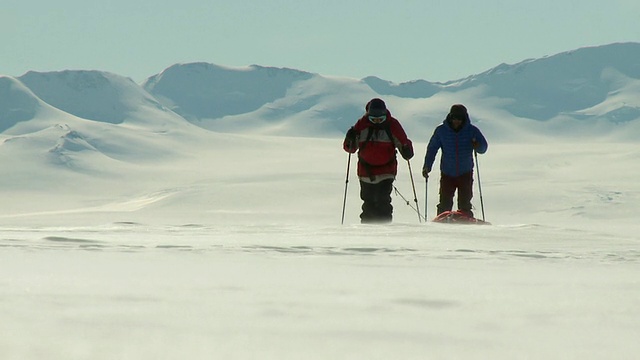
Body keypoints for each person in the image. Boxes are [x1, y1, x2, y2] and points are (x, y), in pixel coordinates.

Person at [343, 98, 414, 223]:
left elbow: (403, 144)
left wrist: (407, 150)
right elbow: (350, 148)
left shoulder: (392, 125)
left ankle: (383, 230)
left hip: (386, 171)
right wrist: (349, 138)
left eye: (380, 119)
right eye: (373, 119)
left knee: (383, 201)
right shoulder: (362, 124)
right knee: (368, 202)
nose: (376, 122)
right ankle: (369, 231)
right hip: (366, 172)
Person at [422, 104, 488, 217]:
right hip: (447, 173)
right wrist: (427, 166)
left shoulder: (472, 131)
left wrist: (477, 145)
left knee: (464, 203)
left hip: (465, 172)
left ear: (464, 119)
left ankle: (465, 225)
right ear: (450, 117)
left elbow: (483, 148)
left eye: (459, 119)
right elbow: (432, 149)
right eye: (454, 118)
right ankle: (441, 225)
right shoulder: (441, 130)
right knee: (444, 203)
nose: (456, 121)